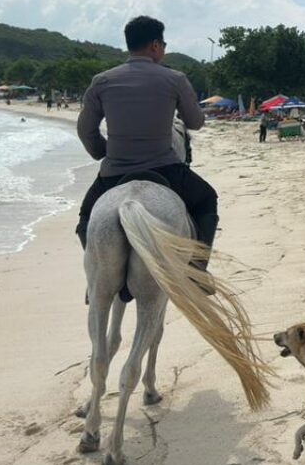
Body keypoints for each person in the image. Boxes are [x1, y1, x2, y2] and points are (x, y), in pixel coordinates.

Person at [75, 16, 218, 294]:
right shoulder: (174, 78)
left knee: (85, 219)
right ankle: (197, 272)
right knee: (207, 200)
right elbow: (195, 122)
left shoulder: (102, 81)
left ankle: (98, 278)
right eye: (163, 44)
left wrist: (102, 151)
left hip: (113, 172)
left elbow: (86, 130)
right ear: (155, 45)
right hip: (165, 169)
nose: (163, 49)